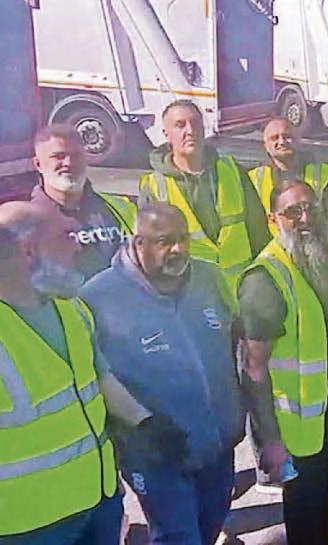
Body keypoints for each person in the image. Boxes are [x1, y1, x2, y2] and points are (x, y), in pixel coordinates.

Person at [0, 201, 180, 545]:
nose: (80, 244)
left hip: (98, 504)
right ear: (28, 251)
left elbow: (99, 378)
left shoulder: (72, 309)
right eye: (66, 236)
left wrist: (145, 422)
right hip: (29, 528)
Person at [81, 203, 245, 545]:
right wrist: (140, 428)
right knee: (178, 537)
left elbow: (233, 339)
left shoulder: (208, 277)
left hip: (216, 443)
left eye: (183, 239)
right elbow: (94, 375)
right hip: (157, 453)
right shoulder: (99, 298)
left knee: (210, 525)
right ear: (138, 244)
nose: (178, 249)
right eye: (164, 241)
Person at [238, 180, 328, 545]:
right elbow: (253, 368)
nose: (306, 218)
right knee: (307, 523)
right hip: (297, 432)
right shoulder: (266, 279)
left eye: (313, 209)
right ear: (274, 218)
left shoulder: (324, 261)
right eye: (294, 212)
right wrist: (270, 443)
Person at [139, 100, 270, 286]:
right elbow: (150, 255)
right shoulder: (154, 187)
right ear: (166, 134)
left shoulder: (231, 171)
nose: (190, 130)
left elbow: (259, 232)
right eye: (180, 125)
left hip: (242, 291)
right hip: (192, 295)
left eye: (195, 123)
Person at [29, 125, 136, 279]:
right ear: (38, 164)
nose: (69, 163)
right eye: (58, 156)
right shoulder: (28, 223)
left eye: (76, 155)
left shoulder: (120, 206)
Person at [248, 117, 328, 231]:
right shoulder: (253, 178)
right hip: (273, 247)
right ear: (265, 146)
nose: (281, 142)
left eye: (287, 137)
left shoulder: (325, 173)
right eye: (274, 138)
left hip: (314, 242)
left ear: (298, 139)